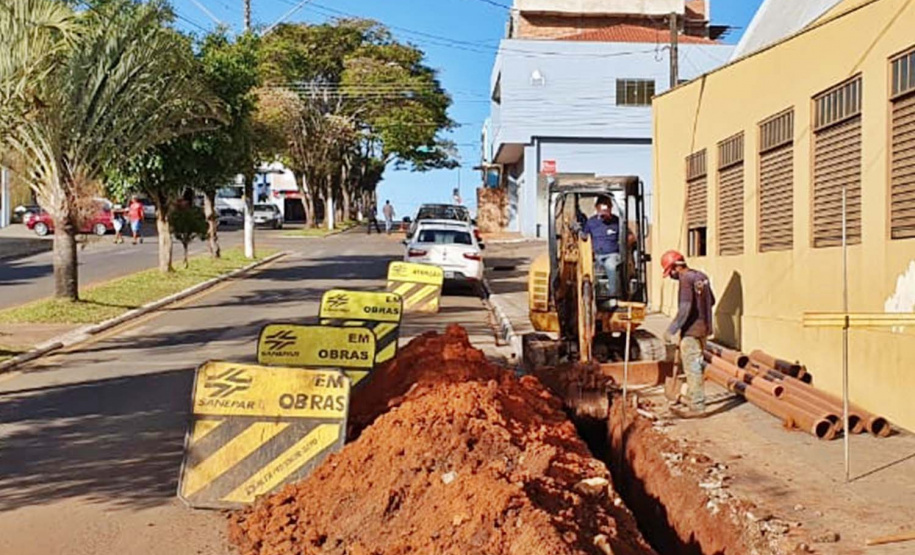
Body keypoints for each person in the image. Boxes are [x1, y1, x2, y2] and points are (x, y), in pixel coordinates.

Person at [661, 250, 716, 418]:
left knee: (693, 368)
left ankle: (698, 406)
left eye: (669, 272)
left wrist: (671, 330)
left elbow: (685, 308)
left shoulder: (685, 279)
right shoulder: (701, 276)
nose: (671, 276)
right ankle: (693, 397)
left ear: (675, 268)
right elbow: (711, 300)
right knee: (696, 364)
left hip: (692, 331)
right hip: (704, 329)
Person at [580, 198, 621, 297]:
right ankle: (591, 296)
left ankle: (612, 294)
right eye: (602, 210)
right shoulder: (591, 222)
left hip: (611, 255)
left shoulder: (617, 221)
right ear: (597, 208)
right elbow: (584, 235)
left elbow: (629, 236)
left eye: (607, 209)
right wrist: (579, 232)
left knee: (611, 266)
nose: (604, 213)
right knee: (586, 271)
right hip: (596, 256)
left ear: (611, 208)